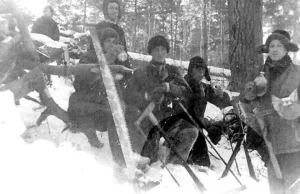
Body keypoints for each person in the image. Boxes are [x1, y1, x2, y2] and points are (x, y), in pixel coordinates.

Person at [124, 35, 198, 165]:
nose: (159, 53)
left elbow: (187, 92)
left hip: (167, 116)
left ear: (167, 51)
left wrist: (170, 88)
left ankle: (175, 164)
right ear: (151, 52)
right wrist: (147, 97)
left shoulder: (173, 71)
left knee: (190, 131)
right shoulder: (141, 72)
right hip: (147, 117)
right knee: (148, 158)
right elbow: (128, 94)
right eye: (156, 49)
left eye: (162, 49)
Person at [243, 30, 300, 194]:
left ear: (286, 49)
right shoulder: (258, 73)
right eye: (272, 46)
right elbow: (246, 103)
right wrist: (249, 94)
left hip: (293, 137)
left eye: (279, 46)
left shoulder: (298, 73)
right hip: (268, 137)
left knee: (293, 185)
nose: (275, 49)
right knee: (275, 187)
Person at [68, 27, 131, 167]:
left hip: (101, 105)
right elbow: (80, 84)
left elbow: (122, 81)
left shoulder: (115, 58)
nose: (111, 44)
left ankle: (130, 157)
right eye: (108, 41)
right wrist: (106, 64)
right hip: (83, 103)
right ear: (101, 42)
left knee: (124, 111)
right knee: (115, 113)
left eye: (114, 42)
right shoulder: (89, 57)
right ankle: (122, 163)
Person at [183, 56, 231, 167]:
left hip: (198, 126)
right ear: (191, 69)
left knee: (216, 128)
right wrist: (204, 122)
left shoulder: (204, 87)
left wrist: (221, 95)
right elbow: (183, 111)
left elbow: (222, 103)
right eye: (197, 68)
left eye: (202, 69)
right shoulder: (183, 85)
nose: (200, 72)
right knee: (200, 161)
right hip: (184, 126)